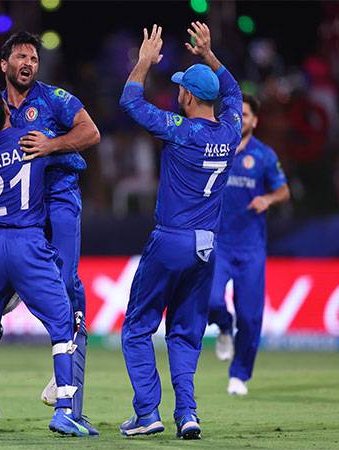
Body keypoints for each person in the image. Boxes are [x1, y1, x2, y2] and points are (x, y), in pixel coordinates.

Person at [0, 31, 100, 434]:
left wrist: (52, 145)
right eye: (21, 57)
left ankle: (70, 400)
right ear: (4, 65)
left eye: (34, 59)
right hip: (14, 220)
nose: (28, 64)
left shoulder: (54, 99)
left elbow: (92, 133)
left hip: (58, 203)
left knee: (70, 291)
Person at [118, 22, 242, 439]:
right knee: (186, 335)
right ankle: (187, 413)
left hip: (171, 240)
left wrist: (143, 62)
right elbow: (235, 95)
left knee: (137, 327)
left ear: (187, 95)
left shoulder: (179, 130)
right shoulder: (230, 132)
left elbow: (130, 101)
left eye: (180, 89)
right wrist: (209, 55)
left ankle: (147, 412)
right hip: (207, 247)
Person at [208, 94, 290, 396]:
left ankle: (239, 375)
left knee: (251, 316)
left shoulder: (264, 156)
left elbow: (283, 190)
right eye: (235, 113)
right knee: (212, 302)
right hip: (218, 243)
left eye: (245, 114)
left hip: (251, 247)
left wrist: (267, 198)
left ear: (254, 120)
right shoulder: (215, 147)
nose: (240, 118)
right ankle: (224, 327)